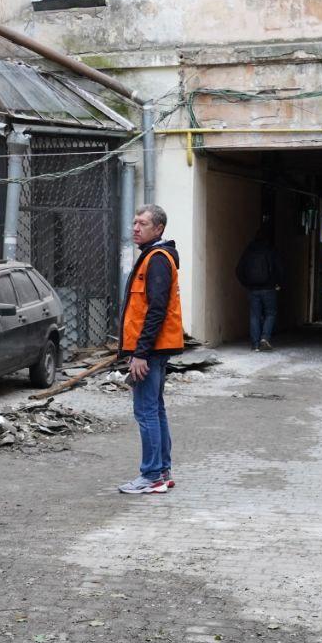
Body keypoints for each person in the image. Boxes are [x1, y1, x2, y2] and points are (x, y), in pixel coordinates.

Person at [118, 204, 184, 495]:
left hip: (150, 350)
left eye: (142, 223)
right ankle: (162, 471)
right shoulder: (155, 257)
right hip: (156, 348)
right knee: (155, 410)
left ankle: (152, 475)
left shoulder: (157, 259)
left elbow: (156, 310)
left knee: (146, 412)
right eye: (134, 222)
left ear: (158, 229)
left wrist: (141, 353)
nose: (136, 227)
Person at [235, 226, 284, 351]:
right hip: (269, 288)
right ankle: (265, 338)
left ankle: (255, 344)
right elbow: (279, 268)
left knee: (254, 315)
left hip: (253, 289)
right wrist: (278, 283)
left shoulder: (249, 250)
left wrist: (247, 284)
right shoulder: (271, 249)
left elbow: (239, 270)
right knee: (270, 313)